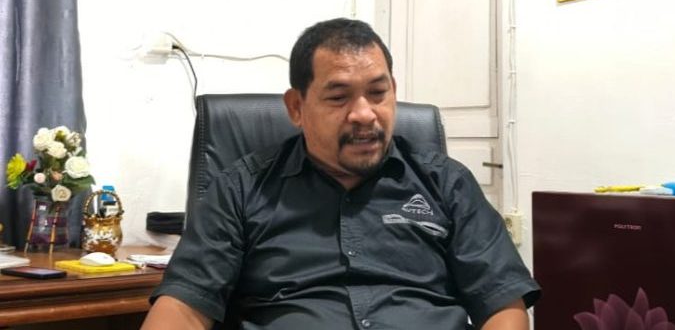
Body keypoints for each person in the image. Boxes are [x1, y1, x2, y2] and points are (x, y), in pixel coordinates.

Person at [141, 18, 540, 330]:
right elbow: (184, 304)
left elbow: (502, 304)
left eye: (378, 93)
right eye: (338, 97)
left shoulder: (446, 183)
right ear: (296, 107)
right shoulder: (241, 189)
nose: (364, 113)